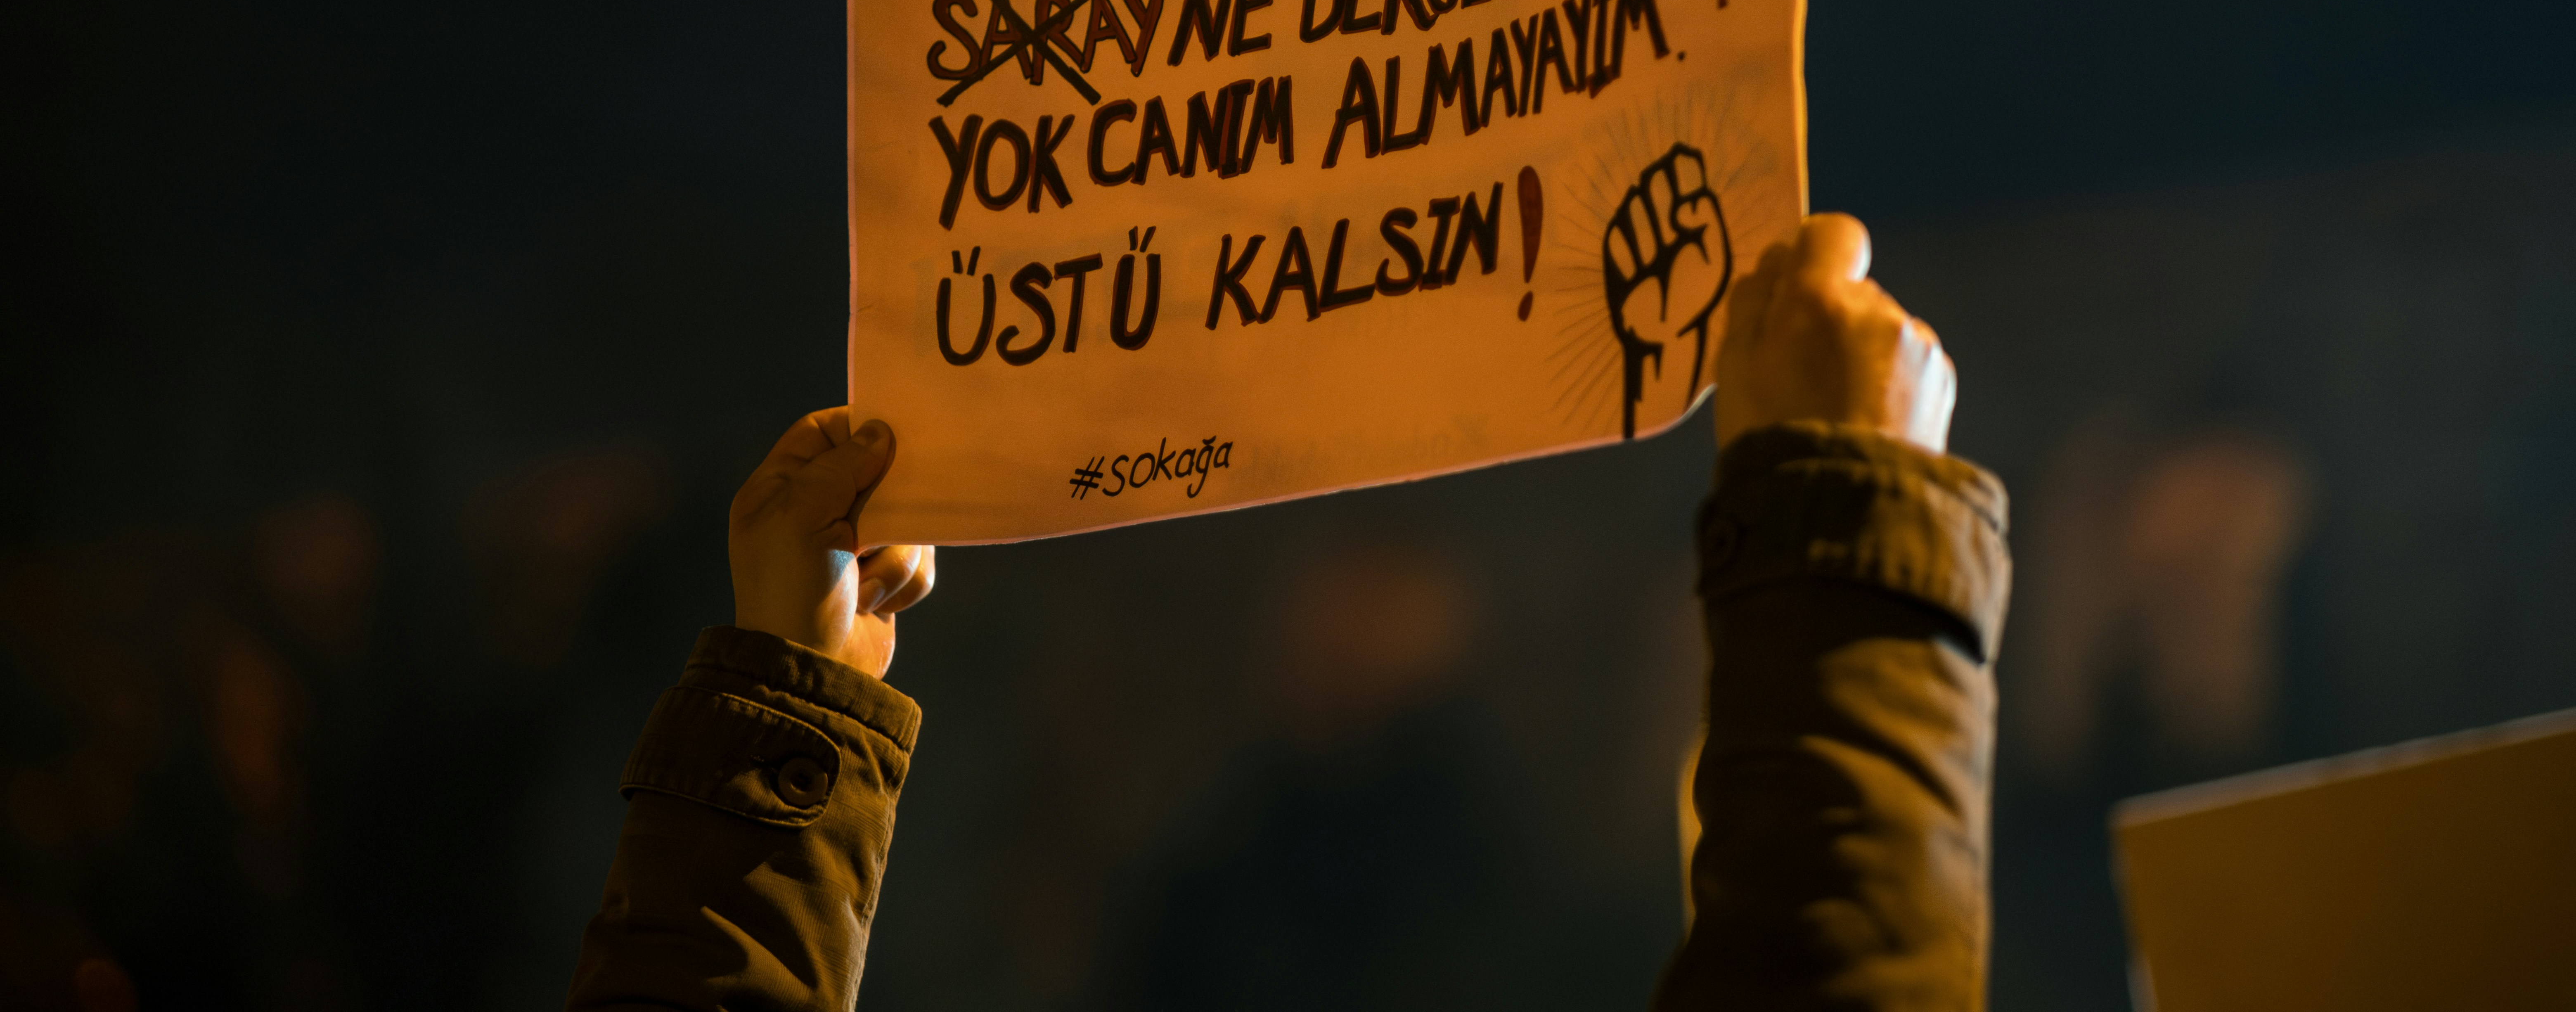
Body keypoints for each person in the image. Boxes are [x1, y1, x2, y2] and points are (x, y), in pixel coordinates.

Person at [566, 214, 2009, 1010]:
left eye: (1376, 590)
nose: (1335, 623)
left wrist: (779, 719)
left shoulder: (1482, 864)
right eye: (1324, 590)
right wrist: (1842, 540)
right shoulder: (1234, 857)